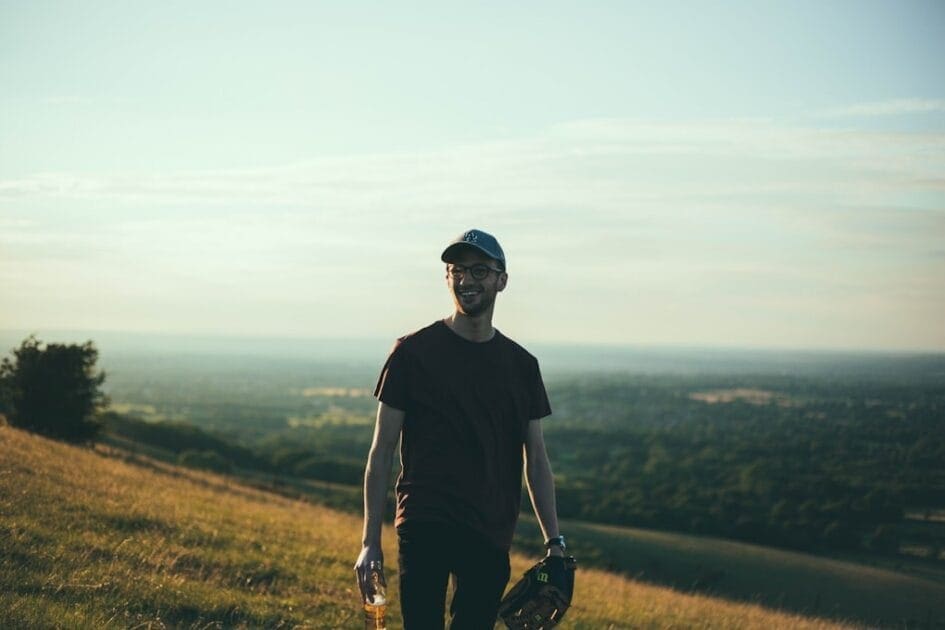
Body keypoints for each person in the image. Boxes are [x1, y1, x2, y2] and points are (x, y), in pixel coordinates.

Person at [355, 229, 566, 629]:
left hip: (490, 530)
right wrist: (370, 543)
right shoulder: (412, 353)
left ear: (502, 280)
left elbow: (536, 459)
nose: (466, 280)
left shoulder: (522, 366)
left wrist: (554, 542)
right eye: (457, 270)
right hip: (424, 521)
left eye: (480, 271)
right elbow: (381, 452)